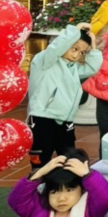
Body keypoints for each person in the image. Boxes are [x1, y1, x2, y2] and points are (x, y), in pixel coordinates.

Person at [27, 23, 103, 166]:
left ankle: (65, 180)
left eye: (81, 52)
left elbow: (92, 68)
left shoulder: (74, 68)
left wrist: (93, 48)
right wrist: (76, 29)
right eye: (74, 49)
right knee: (40, 160)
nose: (76, 55)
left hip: (65, 120)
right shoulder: (45, 60)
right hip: (42, 118)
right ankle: (38, 179)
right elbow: (56, 48)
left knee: (70, 158)